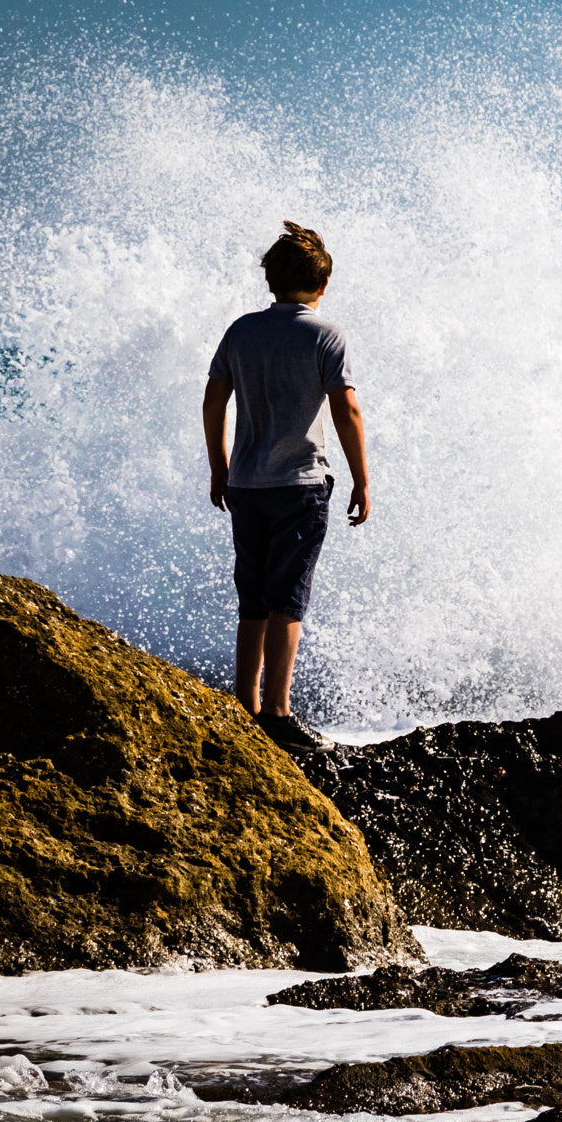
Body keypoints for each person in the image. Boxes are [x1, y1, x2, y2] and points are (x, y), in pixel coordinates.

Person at [201, 221, 371, 752]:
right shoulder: (325, 335)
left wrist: (219, 467)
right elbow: (346, 410)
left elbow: (213, 401)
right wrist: (363, 480)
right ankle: (277, 711)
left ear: (270, 281)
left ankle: (243, 702)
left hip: (247, 485)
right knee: (288, 598)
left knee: (251, 596)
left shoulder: (241, 331)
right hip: (300, 485)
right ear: (323, 286)